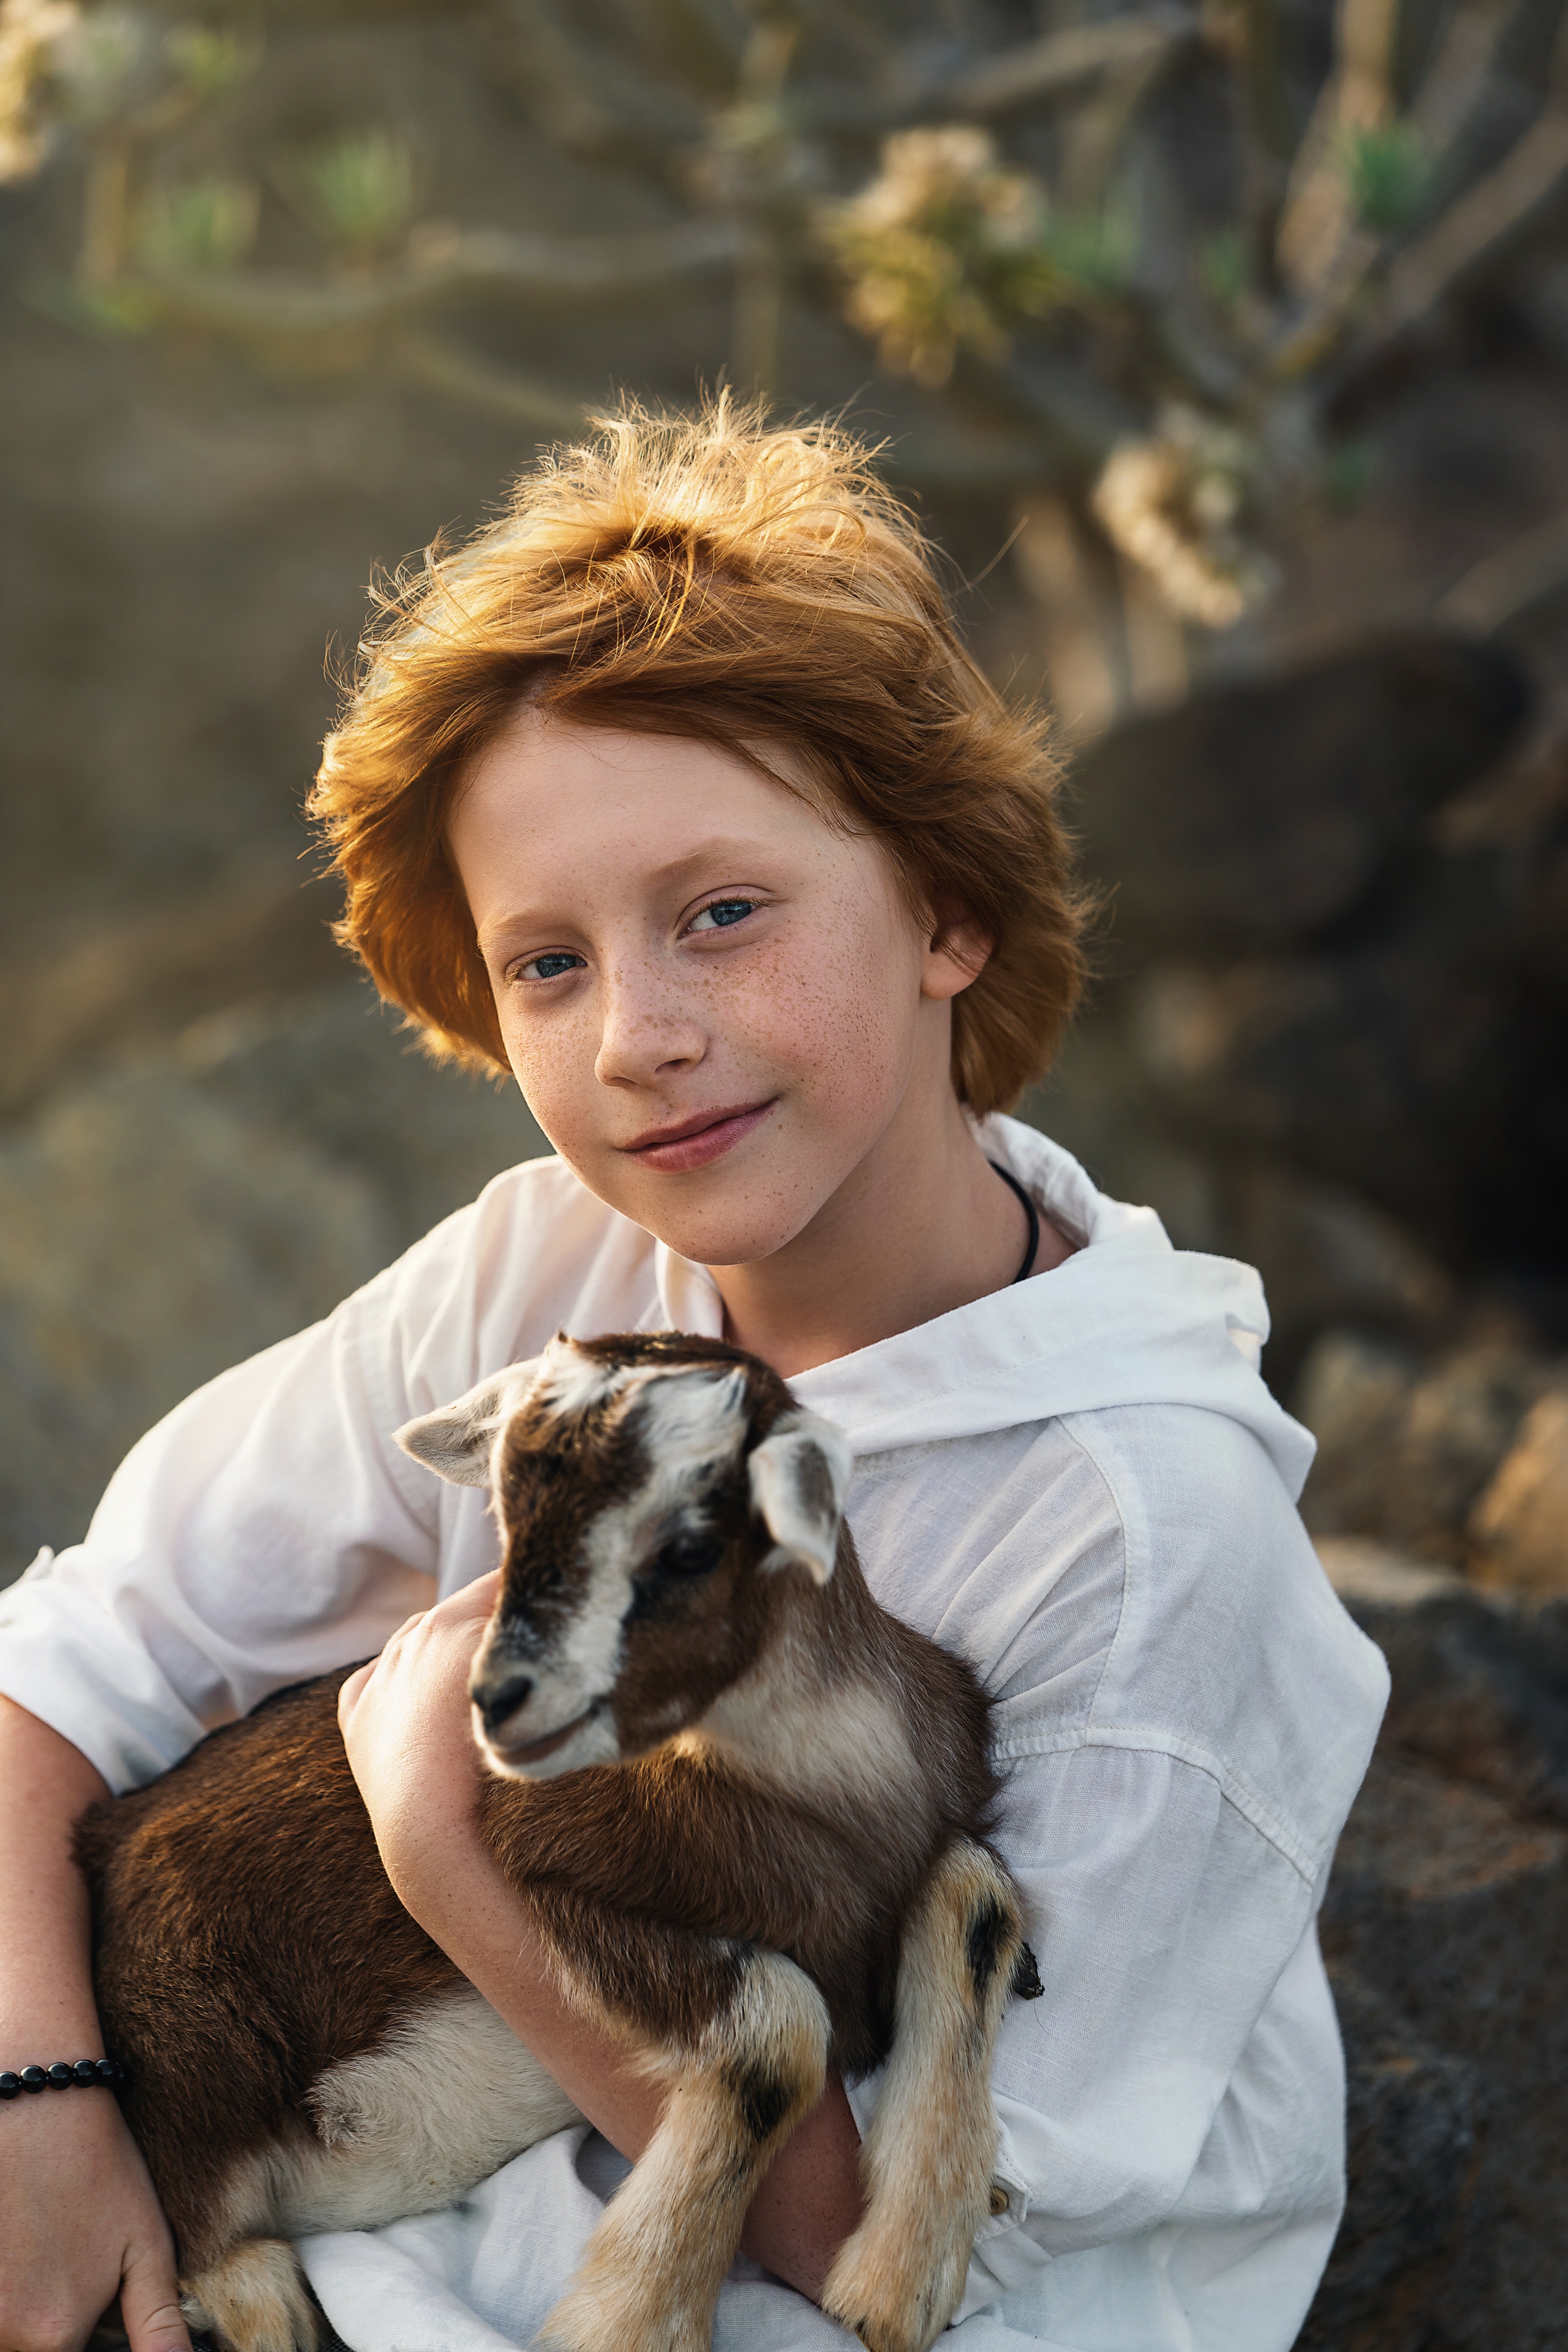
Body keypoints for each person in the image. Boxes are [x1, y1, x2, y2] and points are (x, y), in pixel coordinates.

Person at [0, 399, 1387, 2352]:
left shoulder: (1138, 1527)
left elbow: (920, 2268)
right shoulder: (549, 1264)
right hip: (418, 2184)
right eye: (546, 965)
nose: (641, 1037)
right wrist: (41, 2104)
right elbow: (63, 1667)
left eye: (722, 916)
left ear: (945, 911)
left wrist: (449, 1851)